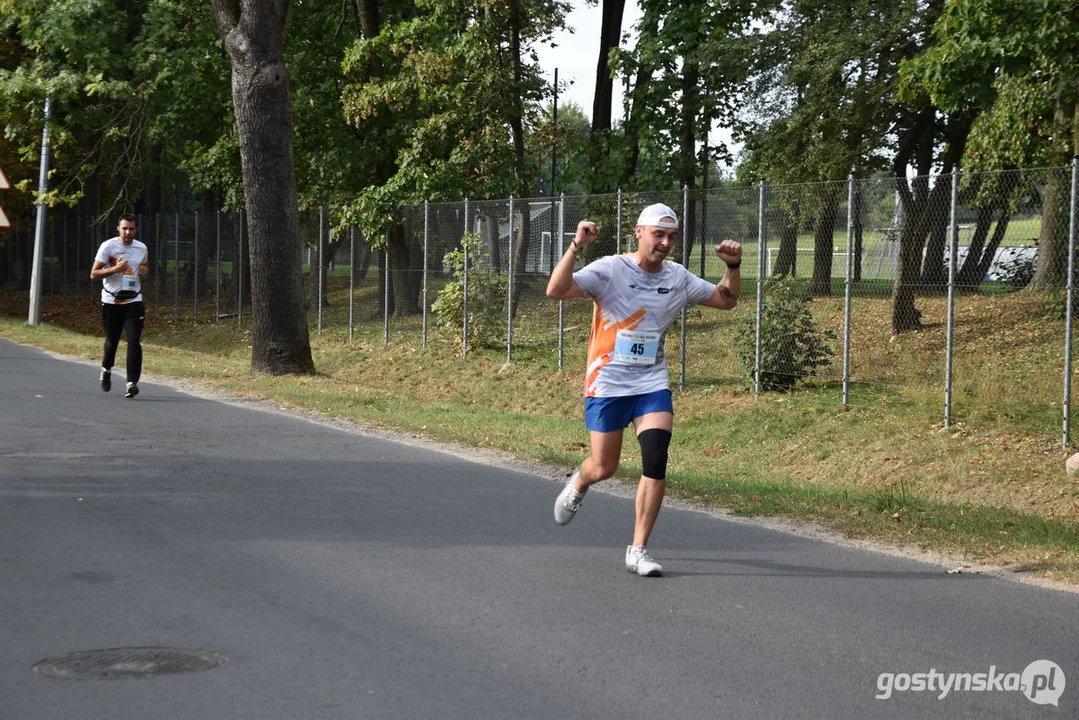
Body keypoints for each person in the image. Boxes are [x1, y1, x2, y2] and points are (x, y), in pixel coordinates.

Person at [546, 203, 742, 577]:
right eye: (658, 234)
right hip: (607, 382)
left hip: (650, 381)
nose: (666, 243)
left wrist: (732, 268)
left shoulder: (679, 278)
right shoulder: (610, 269)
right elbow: (556, 290)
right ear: (639, 232)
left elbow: (726, 301)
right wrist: (576, 246)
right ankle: (580, 481)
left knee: (656, 454)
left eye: (672, 237)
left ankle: (638, 550)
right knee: (604, 467)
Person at [90, 213, 149, 399]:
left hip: (134, 299)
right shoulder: (108, 246)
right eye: (124, 228)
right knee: (112, 341)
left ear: (136, 229)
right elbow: (94, 274)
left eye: (131, 229)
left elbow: (143, 270)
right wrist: (115, 269)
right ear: (118, 229)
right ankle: (106, 369)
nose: (127, 232)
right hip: (111, 300)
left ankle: (132, 383)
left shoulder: (141, 248)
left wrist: (145, 272)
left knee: (133, 340)